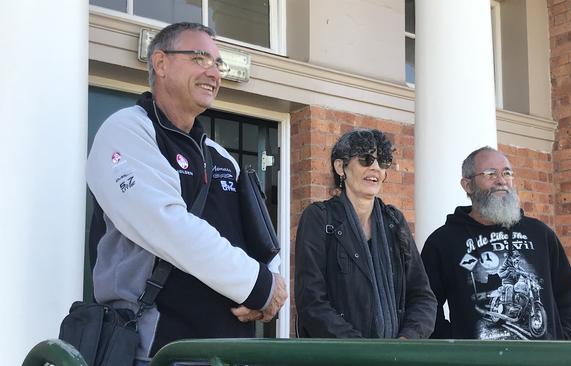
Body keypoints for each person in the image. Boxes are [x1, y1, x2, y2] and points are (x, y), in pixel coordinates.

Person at [86, 22, 287, 364]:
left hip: (226, 353)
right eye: (199, 58)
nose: (214, 73)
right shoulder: (126, 130)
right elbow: (166, 224)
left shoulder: (222, 158)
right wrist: (258, 285)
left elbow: (264, 243)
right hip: (156, 352)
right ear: (160, 63)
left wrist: (272, 288)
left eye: (218, 64)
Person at [421, 146, 571, 340]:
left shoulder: (540, 234)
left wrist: (562, 339)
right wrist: (452, 346)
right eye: (490, 174)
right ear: (468, 185)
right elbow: (426, 303)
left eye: (507, 173)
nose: (501, 181)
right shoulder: (443, 242)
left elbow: (567, 294)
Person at [294, 129, 437, 339]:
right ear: (340, 167)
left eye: (383, 162)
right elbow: (311, 301)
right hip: (338, 357)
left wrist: (407, 340)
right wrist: (361, 351)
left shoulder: (394, 222)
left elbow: (423, 297)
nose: (376, 168)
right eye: (366, 159)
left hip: (394, 359)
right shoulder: (319, 218)